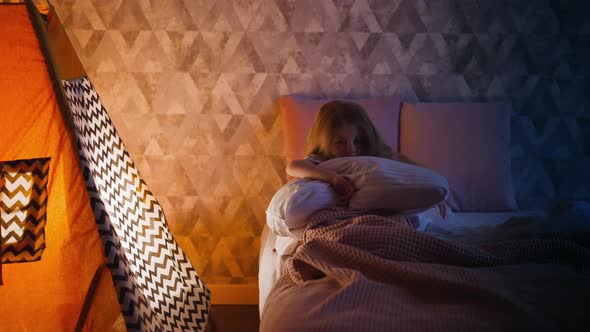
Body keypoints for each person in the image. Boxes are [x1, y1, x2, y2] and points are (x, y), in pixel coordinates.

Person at [286, 100, 414, 201]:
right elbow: (293, 167)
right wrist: (334, 179)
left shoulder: (374, 155)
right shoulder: (323, 160)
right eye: (340, 142)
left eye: (357, 141)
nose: (351, 150)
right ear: (325, 143)